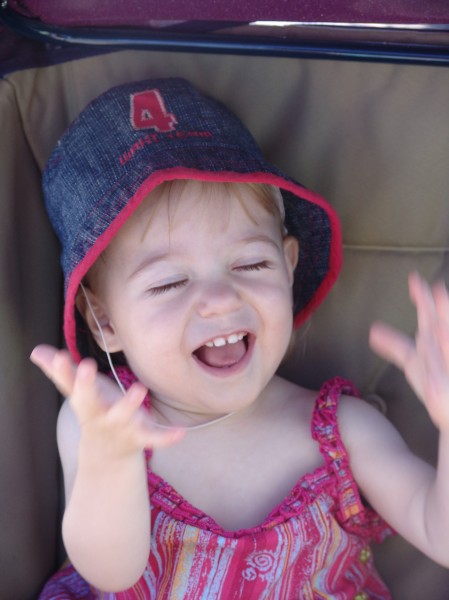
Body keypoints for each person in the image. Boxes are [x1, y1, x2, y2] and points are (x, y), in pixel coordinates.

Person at [31, 78, 449, 599]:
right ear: (105, 322)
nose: (222, 298)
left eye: (251, 264)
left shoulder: (342, 431)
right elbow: (110, 574)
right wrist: (112, 459)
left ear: (288, 269)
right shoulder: (103, 420)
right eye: (169, 282)